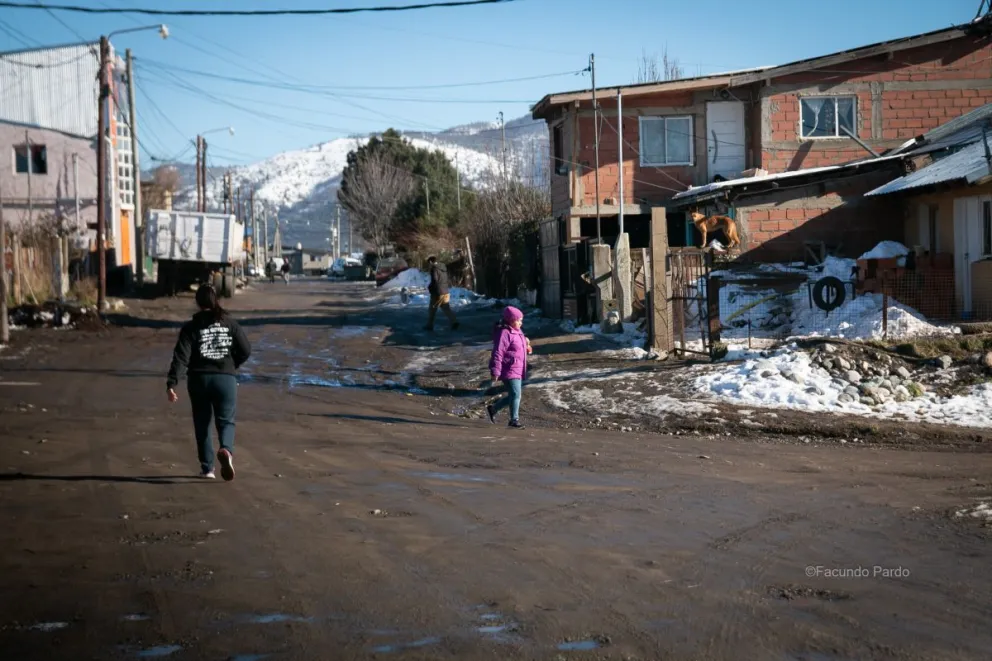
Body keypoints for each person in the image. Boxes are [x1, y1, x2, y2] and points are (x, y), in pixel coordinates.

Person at [166, 285, 251, 480]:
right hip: (225, 379)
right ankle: (226, 450)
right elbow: (246, 350)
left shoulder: (191, 328)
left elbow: (181, 357)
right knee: (226, 420)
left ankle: (208, 468)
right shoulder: (230, 323)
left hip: (199, 380)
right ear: (215, 300)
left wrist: (172, 383)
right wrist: (231, 364)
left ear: (197, 302)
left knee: (202, 424)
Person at [486, 306, 531, 429]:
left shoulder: (517, 331)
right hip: (508, 368)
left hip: (517, 368)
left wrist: (526, 345)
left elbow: (519, 344)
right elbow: (498, 352)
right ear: (511, 320)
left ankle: (493, 408)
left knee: (514, 394)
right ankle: (513, 420)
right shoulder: (504, 333)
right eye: (518, 320)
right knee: (516, 394)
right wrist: (495, 370)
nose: (521, 322)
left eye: (521, 320)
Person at [425, 256, 459, 331]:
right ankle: (454, 321)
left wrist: (430, 288)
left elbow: (435, 281)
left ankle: (429, 325)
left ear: (431, 262)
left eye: (429, 263)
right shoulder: (443, 268)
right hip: (445, 290)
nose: (429, 265)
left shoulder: (434, 269)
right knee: (446, 308)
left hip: (437, 292)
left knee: (432, 308)